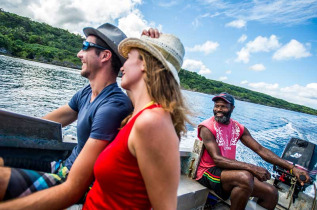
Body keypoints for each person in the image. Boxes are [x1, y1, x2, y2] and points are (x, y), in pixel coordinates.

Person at [0, 33, 190, 209]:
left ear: (145, 65)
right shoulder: (136, 117)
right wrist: (148, 44)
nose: (122, 66)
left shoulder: (150, 121)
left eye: (129, 58)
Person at [195, 92, 311, 210]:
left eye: (223, 106)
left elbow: (260, 150)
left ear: (232, 108)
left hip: (227, 170)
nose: (218, 109)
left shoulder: (238, 128)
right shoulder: (206, 127)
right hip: (208, 171)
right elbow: (217, 159)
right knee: (245, 177)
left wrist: (292, 168)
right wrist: (253, 168)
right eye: (216, 106)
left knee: (271, 192)